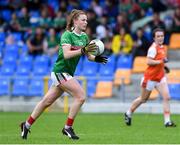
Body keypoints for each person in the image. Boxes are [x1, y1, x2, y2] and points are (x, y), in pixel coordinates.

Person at [20, 9, 108, 140]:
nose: (86, 22)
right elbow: (67, 55)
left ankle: (26, 125)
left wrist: (96, 59)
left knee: (46, 102)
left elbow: (88, 55)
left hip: (66, 74)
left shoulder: (84, 37)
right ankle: (67, 128)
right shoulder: (67, 35)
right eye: (83, 20)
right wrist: (83, 50)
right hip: (60, 72)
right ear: (75, 21)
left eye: (86, 20)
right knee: (81, 96)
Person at [124, 28, 176, 127]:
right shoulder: (153, 48)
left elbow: (159, 61)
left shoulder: (162, 47)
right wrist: (161, 62)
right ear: (154, 38)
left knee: (167, 97)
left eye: (162, 36)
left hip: (160, 77)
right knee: (143, 99)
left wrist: (164, 67)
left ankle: (167, 121)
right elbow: (148, 61)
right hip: (150, 78)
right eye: (158, 36)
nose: (161, 38)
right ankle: (128, 112)